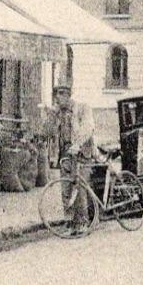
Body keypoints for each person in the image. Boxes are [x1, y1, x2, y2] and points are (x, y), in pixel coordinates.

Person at [51, 84, 100, 229]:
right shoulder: (58, 113)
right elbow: (47, 132)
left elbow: (88, 128)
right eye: (56, 96)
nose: (57, 99)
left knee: (80, 187)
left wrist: (77, 144)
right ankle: (70, 220)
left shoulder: (82, 109)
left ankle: (83, 222)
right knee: (66, 188)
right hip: (65, 154)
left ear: (68, 95)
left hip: (82, 154)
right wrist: (50, 115)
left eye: (60, 95)